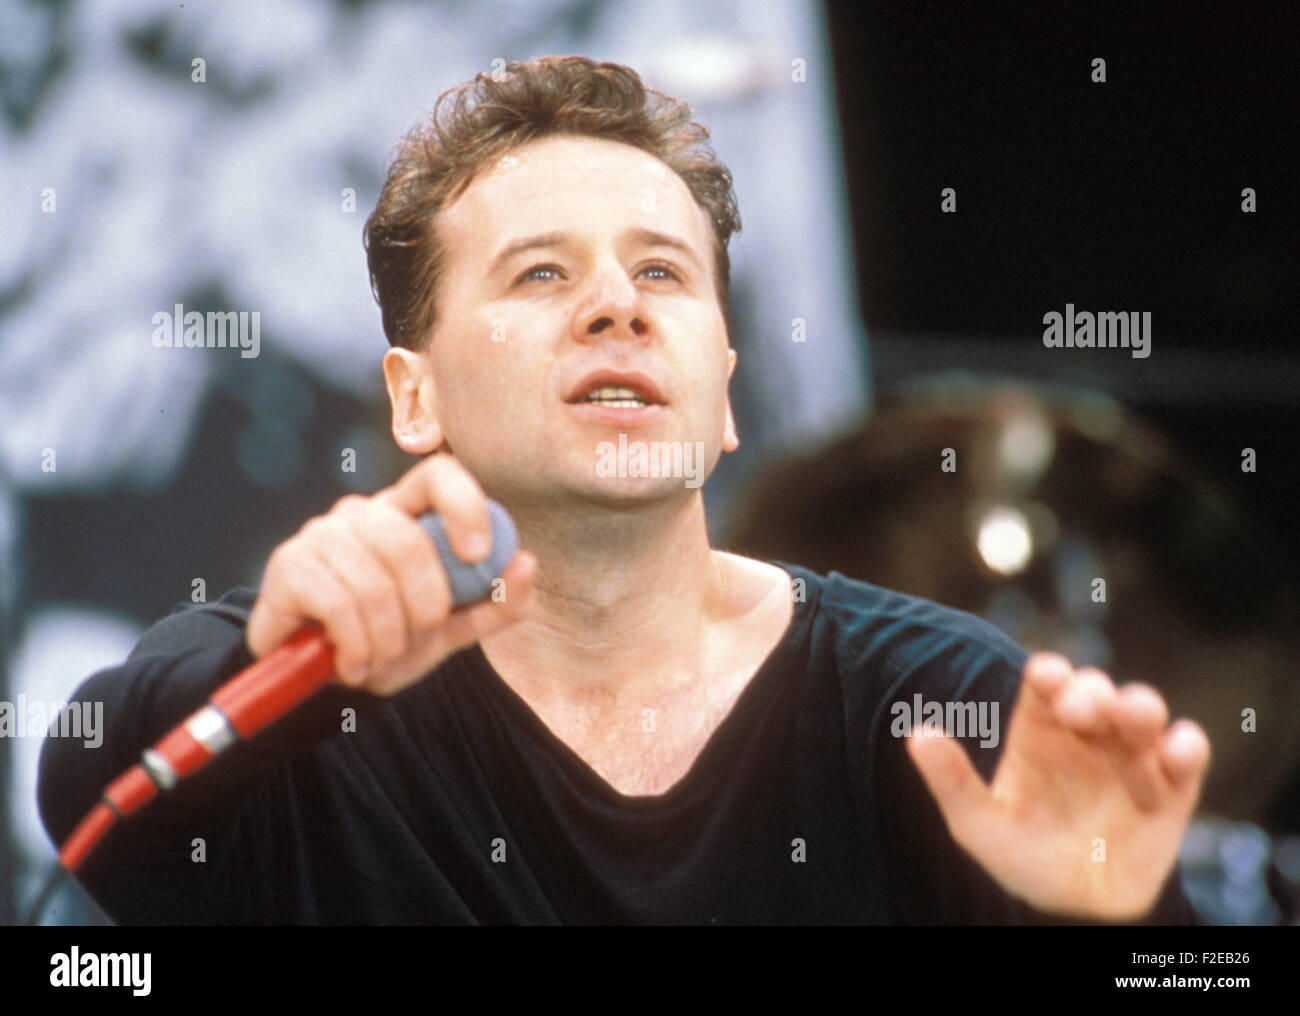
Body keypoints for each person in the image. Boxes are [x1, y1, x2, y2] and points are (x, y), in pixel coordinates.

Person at [39, 56, 1210, 924]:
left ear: (726, 392)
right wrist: (259, 676)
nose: (620, 305)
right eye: (541, 271)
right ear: (414, 397)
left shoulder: (939, 702)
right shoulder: (298, 688)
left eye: (662, 271)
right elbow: (92, 806)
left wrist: (1118, 926)